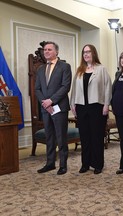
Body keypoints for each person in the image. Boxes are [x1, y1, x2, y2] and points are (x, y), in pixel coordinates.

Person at [70, 44, 112, 174]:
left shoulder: (101, 69)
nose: (86, 54)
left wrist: (106, 105)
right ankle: (85, 164)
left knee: (97, 136)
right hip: (82, 107)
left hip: (97, 107)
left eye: (88, 52)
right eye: (84, 52)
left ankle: (98, 164)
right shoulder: (79, 70)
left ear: (94, 53)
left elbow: (107, 88)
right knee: (85, 137)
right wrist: (72, 104)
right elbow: (74, 89)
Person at [35, 41, 72, 175]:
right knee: (49, 136)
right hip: (46, 108)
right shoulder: (40, 69)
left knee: (61, 137)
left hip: (59, 108)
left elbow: (65, 87)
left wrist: (51, 101)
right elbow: (37, 89)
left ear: (56, 52)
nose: (46, 52)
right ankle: (50, 163)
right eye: (45, 50)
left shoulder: (65, 67)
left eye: (49, 49)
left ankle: (63, 165)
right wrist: (45, 103)